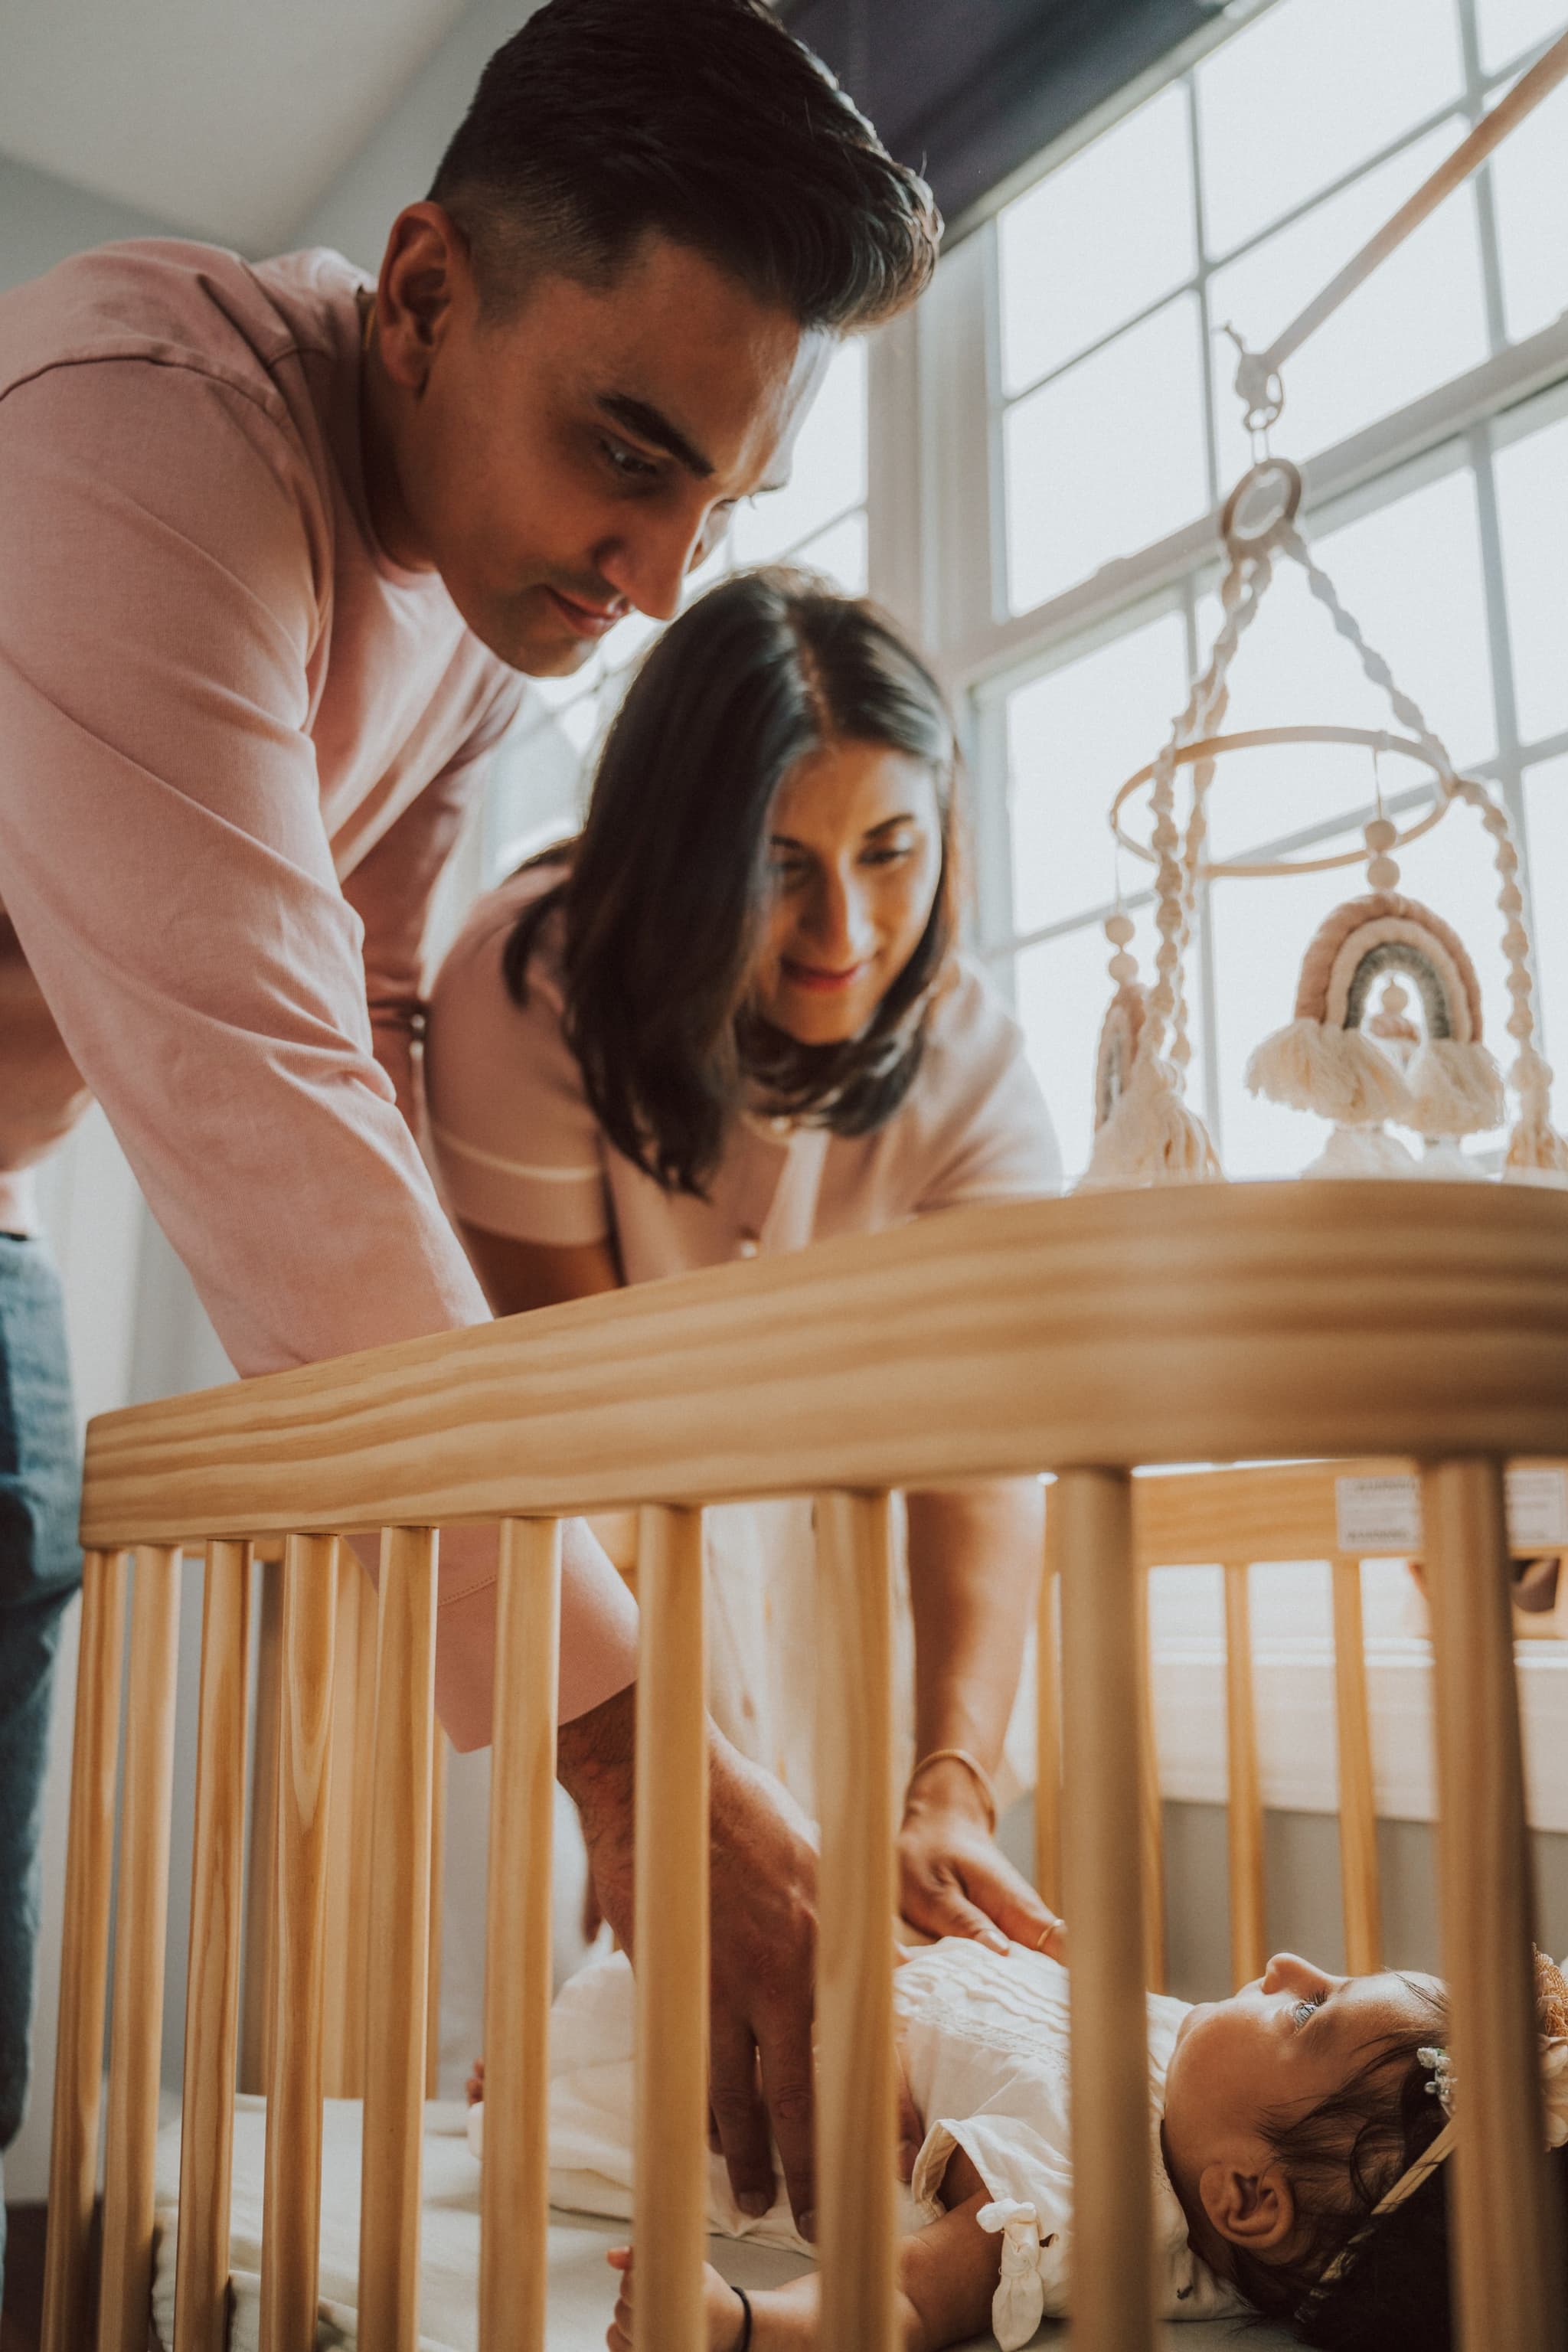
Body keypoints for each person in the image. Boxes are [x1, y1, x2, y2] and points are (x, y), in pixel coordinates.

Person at [0, 0, 939, 2258]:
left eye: (709, 497)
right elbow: (269, 1101)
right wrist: (623, 1742)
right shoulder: (126, 437)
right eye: (624, 449)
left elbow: (374, 1029)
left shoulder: (463, 610)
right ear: (421, 292)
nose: (648, 576)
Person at [424, 569, 1063, 1959]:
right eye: (781, 867)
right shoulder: (526, 987)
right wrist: (682, 1798)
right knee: (625, 2012)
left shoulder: (971, 1065)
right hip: (613, 1556)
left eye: (890, 850)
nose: (843, 935)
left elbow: (982, 1451)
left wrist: (948, 1778)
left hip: (857, 1564)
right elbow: (592, 1444)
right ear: (682, 850)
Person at [588, 1943, 1568, 2351]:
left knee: (580, 2059)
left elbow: (906, 2295)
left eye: (1306, 2010)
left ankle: (540, 2071)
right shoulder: (1195, 2093)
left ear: (1245, 2200)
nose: (1284, 1964)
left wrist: (742, 2323)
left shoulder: (1100, 2199)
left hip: (709, 2067)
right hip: (822, 1972)